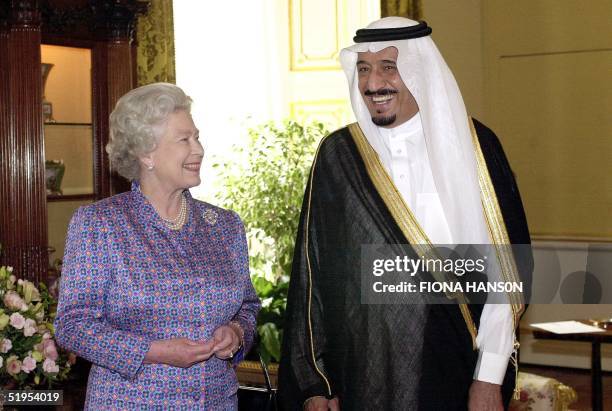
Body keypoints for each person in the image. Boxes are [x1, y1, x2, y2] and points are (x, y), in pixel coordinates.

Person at [278, 17, 532, 410]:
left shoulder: (477, 148)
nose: (372, 83)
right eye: (363, 69)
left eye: (388, 68)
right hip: (361, 377)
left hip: (452, 369)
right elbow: (312, 276)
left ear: (419, 70)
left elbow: (506, 274)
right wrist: (316, 383)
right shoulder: (340, 155)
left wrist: (488, 379)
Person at [54, 83, 260, 409]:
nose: (199, 149)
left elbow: (247, 307)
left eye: (197, 137)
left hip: (217, 401)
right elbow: (72, 326)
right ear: (146, 153)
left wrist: (236, 333)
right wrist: (154, 352)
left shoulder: (225, 226)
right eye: (184, 140)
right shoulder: (100, 224)